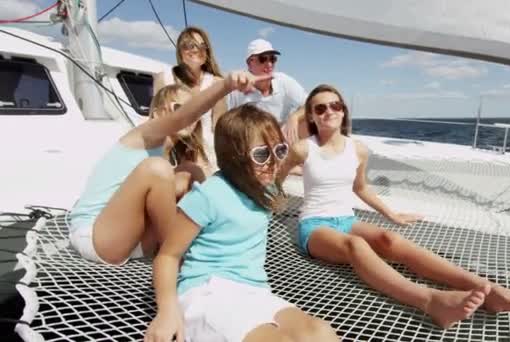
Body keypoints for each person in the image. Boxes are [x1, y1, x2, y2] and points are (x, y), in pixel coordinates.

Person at [278, 84, 510, 329]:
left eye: (335, 105)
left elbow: (361, 188)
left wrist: (392, 215)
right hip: (314, 226)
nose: (329, 112)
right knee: (356, 245)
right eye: (320, 108)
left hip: (346, 220)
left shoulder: (358, 150)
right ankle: (431, 301)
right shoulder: (302, 149)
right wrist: (271, 201)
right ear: (311, 115)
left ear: (343, 110)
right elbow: (277, 177)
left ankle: (485, 288)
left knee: (390, 239)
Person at [145, 104, 339, 342]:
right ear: (234, 156)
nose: (274, 162)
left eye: (279, 151)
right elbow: (167, 256)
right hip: (207, 290)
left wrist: (299, 115)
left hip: (253, 290)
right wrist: (167, 312)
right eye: (261, 154)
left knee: (320, 332)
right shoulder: (209, 195)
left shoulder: (263, 187)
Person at [68, 71, 267, 266]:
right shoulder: (143, 135)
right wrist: (226, 85)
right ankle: (177, 258)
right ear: (158, 113)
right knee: (157, 170)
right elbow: (181, 119)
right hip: (96, 237)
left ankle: (213, 239)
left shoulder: (170, 153)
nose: (192, 116)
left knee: (191, 171)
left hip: (134, 241)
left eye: (194, 111)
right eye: (180, 107)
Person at [154, 26, 226, 172]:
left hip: (206, 155)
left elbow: (220, 127)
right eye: (189, 45)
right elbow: (154, 119)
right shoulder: (164, 78)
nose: (195, 50)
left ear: (207, 52)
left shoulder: (217, 83)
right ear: (180, 51)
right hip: (170, 151)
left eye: (201, 46)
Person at [227, 38, 308, 145]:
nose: (269, 64)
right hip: (250, 143)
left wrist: (295, 117)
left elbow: (311, 102)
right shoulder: (237, 89)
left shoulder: (283, 80)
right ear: (249, 63)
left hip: (281, 140)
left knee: (309, 118)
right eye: (262, 59)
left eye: (273, 59)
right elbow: (226, 123)